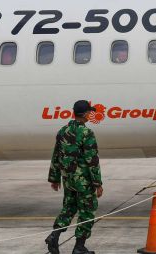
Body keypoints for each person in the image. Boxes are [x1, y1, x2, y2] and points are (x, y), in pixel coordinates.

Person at [45, 100, 104, 254]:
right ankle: (79, 247)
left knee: (69, 208)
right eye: (89, 112)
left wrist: (54, 178)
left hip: (68, 180)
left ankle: (54, 235)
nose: (91, 115)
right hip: (83, 182)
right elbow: (92, 160)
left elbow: (56, 156)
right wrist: (98, 183)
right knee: (88, 210)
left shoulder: (63, 131)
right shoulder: (87, 133)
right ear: (85, 114)